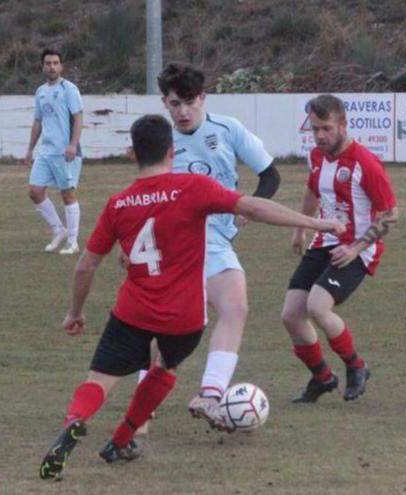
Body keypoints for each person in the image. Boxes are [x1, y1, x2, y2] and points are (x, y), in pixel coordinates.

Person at [38, 114, 342, 480]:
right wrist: (314, 223)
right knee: (164, 367)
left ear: (133, 153)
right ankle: (121, 440)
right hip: (183, 318)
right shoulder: (193, 187)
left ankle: (75, 420)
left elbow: (86, 266)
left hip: (132, 312)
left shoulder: (118, 204)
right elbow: (253, 207)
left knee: (100, 379)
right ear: (171, 151)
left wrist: (75, 312)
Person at [145, 62, 281, 429]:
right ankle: (207, 392)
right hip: (179, 238)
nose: (183, 111)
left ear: (203, 98)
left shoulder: (228, 130)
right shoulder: (161, 143)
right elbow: (146, 196)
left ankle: (158, 393)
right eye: (174, 104)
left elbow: (270, 175)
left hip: (216, 237)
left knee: (186, 318)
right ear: (165, 103)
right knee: (226, 308)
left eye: (189, 102)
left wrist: (249, 208)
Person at [281, 94, 398, 404]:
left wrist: (356, 248)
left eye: (326, 129)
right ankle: (322, 378)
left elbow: (391, 213)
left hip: (358, 248)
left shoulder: (365, 162)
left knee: (317, 307)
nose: (319, 136)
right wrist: (301, 228)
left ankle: (356, 366)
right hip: (325, 242)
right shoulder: (317, 157)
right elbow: (312, 189)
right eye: (315, 129)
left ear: (343, 125)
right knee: (291, 315)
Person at [23, 48, 85, 255]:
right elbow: (38, 121)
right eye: (48, 63)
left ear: (61, 66)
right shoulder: (40, 91)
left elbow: (78, 117)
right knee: (35, 191)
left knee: (67, 194)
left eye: (55, 63)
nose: (52, 67)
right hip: (46, 151)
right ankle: (59, 229)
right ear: (42, 66)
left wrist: (73, 145)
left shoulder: (69, 89)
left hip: (65, 151)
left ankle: (73, 242)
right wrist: (30, 149)